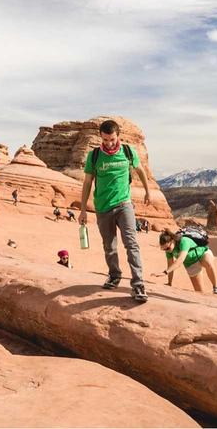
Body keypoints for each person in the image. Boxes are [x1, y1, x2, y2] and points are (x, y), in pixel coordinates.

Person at [79, 119, 152, 302]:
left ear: (118, 135)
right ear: (100, 137)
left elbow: (140, 170)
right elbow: (87, 182)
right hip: (103, 207)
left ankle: (138, 284)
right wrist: (83, 209)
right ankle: (114, 275)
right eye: (105, 140)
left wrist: (148, 191)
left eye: (112, 139)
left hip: (124, 204)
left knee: (131, 244)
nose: (109, 143)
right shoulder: (94, 156)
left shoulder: (128, 151)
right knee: (109, 246)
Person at [153, 229, 217, 294]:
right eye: (164, 249)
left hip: (202, 254)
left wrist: (165, 272)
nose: (167, 250)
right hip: (190, 263)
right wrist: (169, 282)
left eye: (168, 248)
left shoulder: (184, 241)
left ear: (172, 240)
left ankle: (216, 287)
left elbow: (180, 260)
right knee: (200, 292)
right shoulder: (168, 251)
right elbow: (170, 265)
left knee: (208, 263)